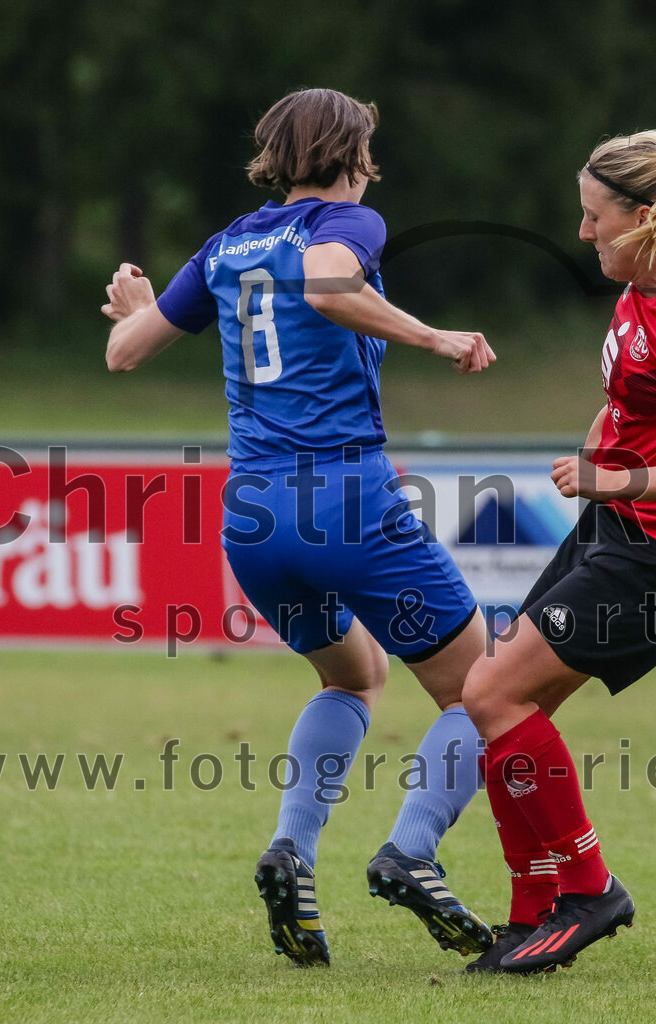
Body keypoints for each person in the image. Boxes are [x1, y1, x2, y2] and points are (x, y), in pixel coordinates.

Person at [100, 88, 497, 968]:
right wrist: (433, 337)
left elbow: (124, 353)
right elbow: (324, 285)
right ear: (353, 155)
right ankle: (411, 852)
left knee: (355, 677)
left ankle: (293, 849)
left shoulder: (228, 243)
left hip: (251, 516)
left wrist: (135, 305)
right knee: (488, 691)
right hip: (344, 498)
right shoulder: (351, 224)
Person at [461, 130, 656, 974]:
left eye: (595, 217)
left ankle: (589, 892)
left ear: (646, 217)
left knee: (493, 693)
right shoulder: (650, 274)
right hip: (623, 528)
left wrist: (614, 485)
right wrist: (601, 454)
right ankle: (534, 911)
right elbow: (632, 397)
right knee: (503, 706)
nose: (583, 232)